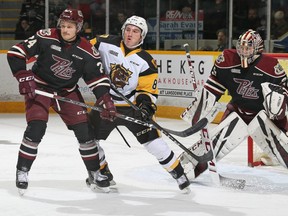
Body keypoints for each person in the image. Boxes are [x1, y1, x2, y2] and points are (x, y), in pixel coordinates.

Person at [6, 8, 116, 194]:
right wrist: (23, 75)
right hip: (40, 87)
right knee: (36, 128)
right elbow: (16, 52)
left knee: (85, 133)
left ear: (78, 28)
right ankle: (22, 171)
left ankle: (94, 172)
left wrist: (105, 98)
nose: (65, 30)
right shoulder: (46, 36)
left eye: (70, 27)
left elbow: (97, 79)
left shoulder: (88, 51)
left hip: (67, 92)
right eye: (63, 26)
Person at [89, 15, 191, 192]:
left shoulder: (146, 61)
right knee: (88, 139)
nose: (130, 34)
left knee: (155, 144)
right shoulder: (104, 42)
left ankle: (179, 174)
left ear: (141, 36)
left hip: (131, 107)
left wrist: (145, 106)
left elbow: (147, 90)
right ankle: (102, 171)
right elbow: (80, 49)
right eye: (127, 30)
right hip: (105, 104)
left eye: (135, 31)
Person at [180, 29, 288, 180]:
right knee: (215, 144)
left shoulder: (270, 66)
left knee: (283, 149)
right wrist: (198, 111)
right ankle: (186, 168)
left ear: (258, 48)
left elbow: (283, 91)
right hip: (237, 112)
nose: (244, 51)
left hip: (263, 116)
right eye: (242, 47)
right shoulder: (227, 60)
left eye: (248, 47)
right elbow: (213, 88)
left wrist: (279, 105)